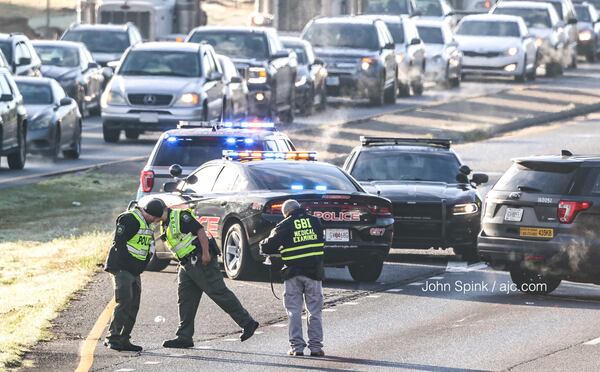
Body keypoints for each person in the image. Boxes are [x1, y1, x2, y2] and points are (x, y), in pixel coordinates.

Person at [160, 207, 259, 348]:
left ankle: (247, 322)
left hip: (200, 260)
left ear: (158, 212)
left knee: (218, 292)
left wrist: (206, 253)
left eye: (152, 216)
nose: (152, 220)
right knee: (185, 300)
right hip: (186, 264)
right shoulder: (164, 222)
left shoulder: (180, 216)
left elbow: (200, 231)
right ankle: (184, 336)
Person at [259, 199, 326, 357]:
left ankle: (297, 348)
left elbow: (267, 246)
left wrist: (266, 240)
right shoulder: (316, 222)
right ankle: (316, 348)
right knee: (315, 312)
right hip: (314, 273)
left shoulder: (284, 225)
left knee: (294, 312)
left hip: (293, 274)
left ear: (286, 213)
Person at [103, 198, 166, 352]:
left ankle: (124, 338)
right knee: (124, 302)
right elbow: (119, 243)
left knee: (133, 305)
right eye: (156, 218)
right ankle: (113, 338)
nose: (157, 222)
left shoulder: (146, 224)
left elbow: (144, 247)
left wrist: (141, 266)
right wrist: (131, 265)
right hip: (122, 268)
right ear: (151, 214)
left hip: (134, 270)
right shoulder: (130, 218)